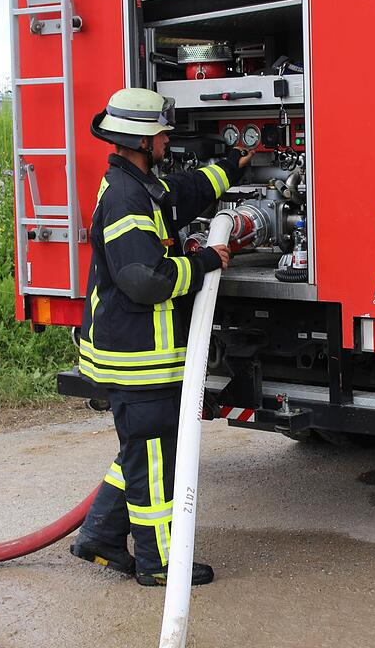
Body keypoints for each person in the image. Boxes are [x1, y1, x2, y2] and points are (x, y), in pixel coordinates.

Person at [69, 88, 253, 584]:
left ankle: (101, 537)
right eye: (162, 133)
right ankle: (158, 565)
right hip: (137, 357)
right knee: (155, 460)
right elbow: (143, 279)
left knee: (143, 450)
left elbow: (185, 191)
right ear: (144, 140)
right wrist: (204, 262)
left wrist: (233, 166)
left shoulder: (137, 183)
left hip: (141, 355)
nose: (168, 139)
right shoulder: (127, 198)